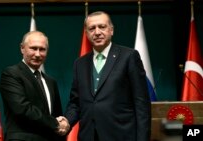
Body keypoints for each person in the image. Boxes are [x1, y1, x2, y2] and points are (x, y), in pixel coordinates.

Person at [63, 11, 151, 141]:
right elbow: (76, 102)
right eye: (92, 28)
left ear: (111, 30)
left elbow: (141, 104)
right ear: (86, 33)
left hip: (122, 136)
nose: (97, 32)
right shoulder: (79, 63)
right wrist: (66, 122)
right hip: (88, 136)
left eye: (102, 27)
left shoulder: (129, 57)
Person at [0, 31, 69, 141]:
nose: (37, 54)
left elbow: (56, 114)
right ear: (22, 48)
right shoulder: (11, 74)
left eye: (42, 49)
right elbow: (22, 109)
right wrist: (56, 123)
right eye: (33, 48)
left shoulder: (51, 82)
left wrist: (63, 125)